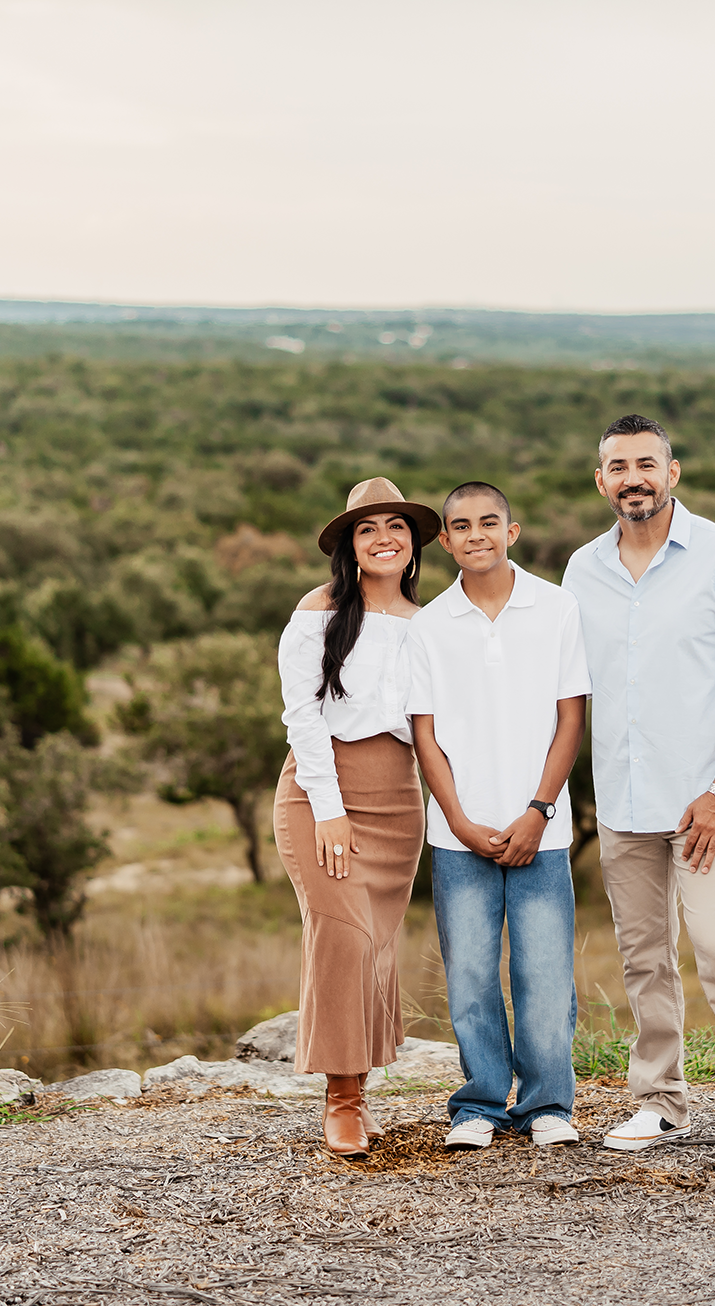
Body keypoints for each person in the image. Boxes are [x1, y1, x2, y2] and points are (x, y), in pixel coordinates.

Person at [560, 414, 715, 1175]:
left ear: (673, 473)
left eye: (646, 464)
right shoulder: (581, 571)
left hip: (706, 805)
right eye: (618, 466)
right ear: (601, 481)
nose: (634, 477)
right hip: (623, 804)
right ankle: (660, 1100)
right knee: (644, 958)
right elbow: (567, 686)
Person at [405, 482, 590, 1152]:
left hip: (542, 830)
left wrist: (539, 810)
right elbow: (424, 734)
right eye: (461, 525)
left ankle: (547, 1104)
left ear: (511, 531)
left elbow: (572, 717)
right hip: (460, 838)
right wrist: (455, 819)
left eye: (489, 522)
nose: (476, 534)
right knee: (472, 978)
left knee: (544, 977)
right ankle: (479, 1105)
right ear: (446, 541)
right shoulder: (428, 626)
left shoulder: (557, 607)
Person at [273, 476, 439, 1158]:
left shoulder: (431, 623)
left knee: (373, 947)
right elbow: (301, 717)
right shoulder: (318, 612)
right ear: (348, 544)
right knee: (341, 936)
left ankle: (362, 1091)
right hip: (320, 792)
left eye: (395, 527)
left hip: (398, 800)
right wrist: (329, 810)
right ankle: (340, 1102)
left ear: (412, 542)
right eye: (367, 529)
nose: (383, 539)